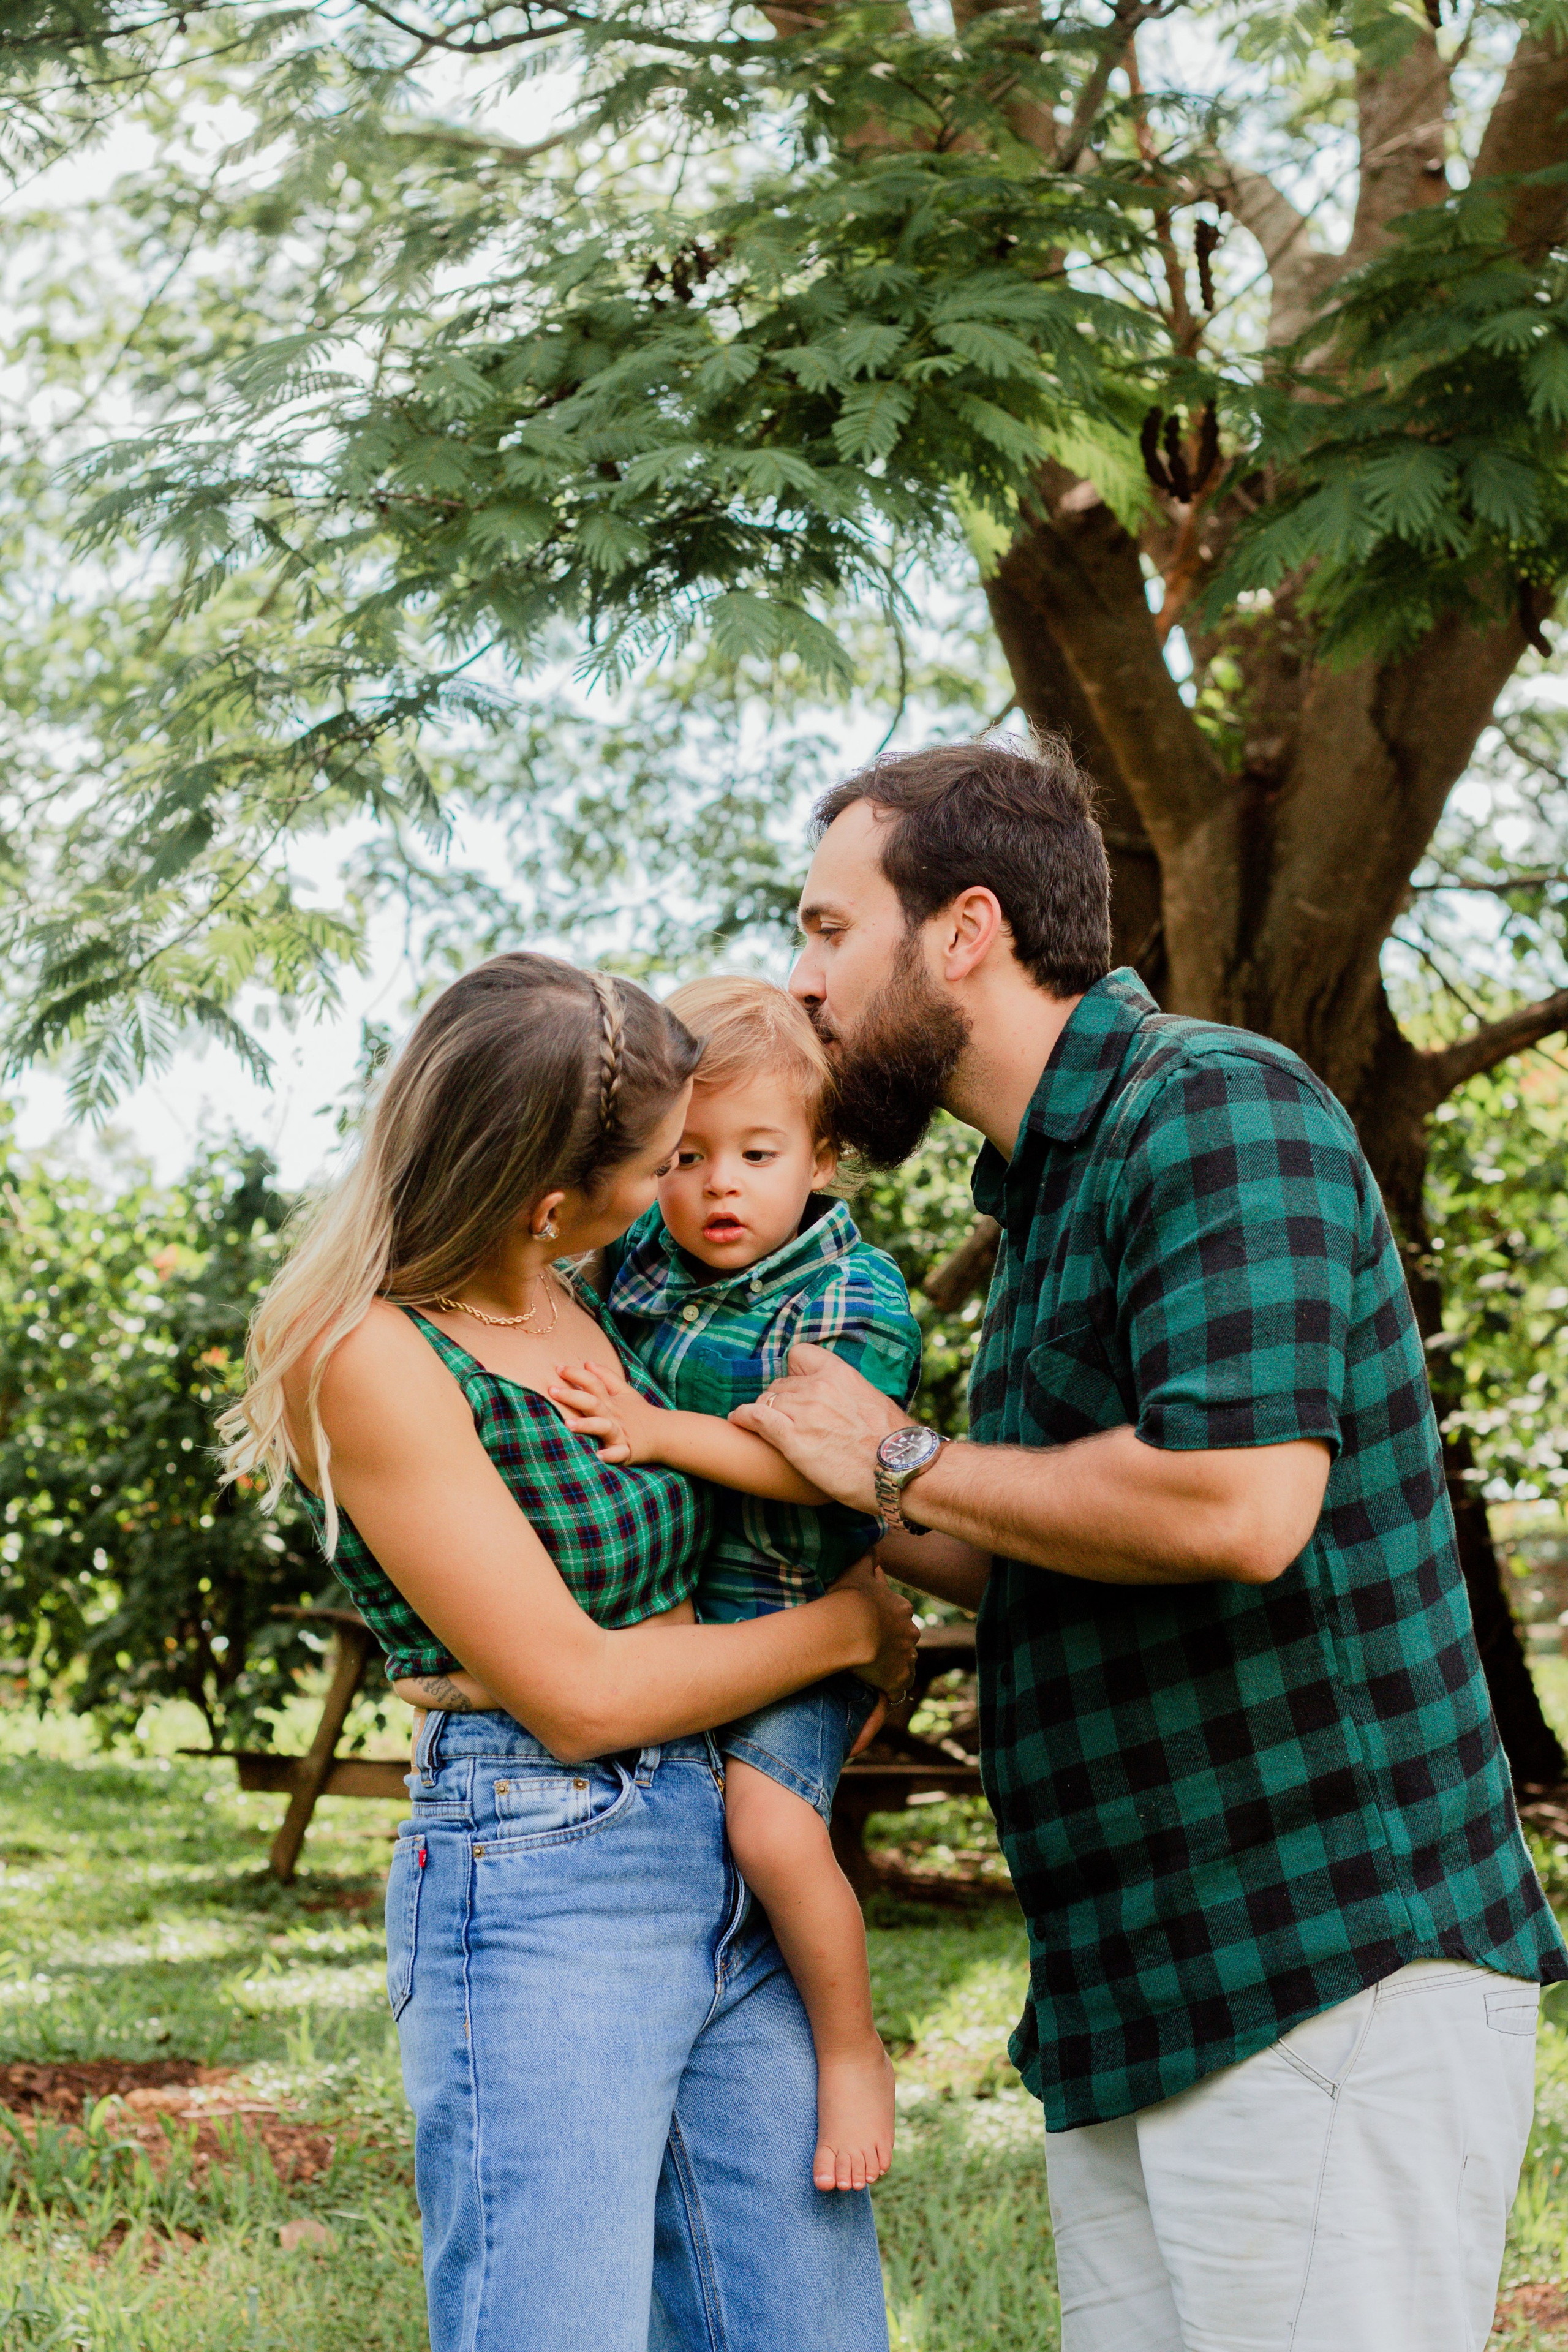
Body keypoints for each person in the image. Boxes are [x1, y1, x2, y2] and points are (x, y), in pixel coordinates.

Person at [727, 734, 1568, 2352]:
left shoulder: (1214, 1108)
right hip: (1138, 1992)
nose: (806, 983)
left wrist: (900, 1451)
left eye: (829, 930)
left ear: (962, 930)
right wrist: (824, 1479)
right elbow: (1033, 1537)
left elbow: (1237, 1503)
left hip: (1318, 1966)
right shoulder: (1045, 1198)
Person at [217, 951, 917, 2352]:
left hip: (717, 1842)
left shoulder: (591, 1295)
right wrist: (843, 1629)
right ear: (552, 1196)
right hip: (542, 1868)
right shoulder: (374, 1358)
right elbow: (580, 1695)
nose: (684, 1187)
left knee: (803, 2324)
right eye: (660, 1160)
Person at [547, 974, 922, 2193]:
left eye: (755, 1152)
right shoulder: (647, 1257)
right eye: (685, 1156)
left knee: (768, 1828)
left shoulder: (847, 1295)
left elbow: (826, 1471)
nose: (717, 1185)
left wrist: (655, 1430)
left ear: (818, 1156)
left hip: (791, 1612)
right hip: (690, 1614)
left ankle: (851, 2047)